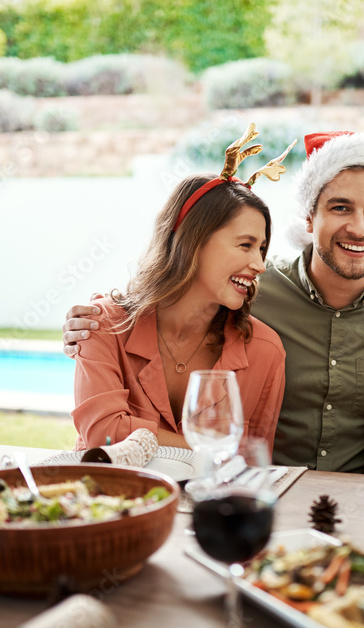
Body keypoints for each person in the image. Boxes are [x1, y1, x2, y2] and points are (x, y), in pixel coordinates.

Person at [65, 131, 364, 472]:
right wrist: (93, 321)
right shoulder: (251, 294)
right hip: (268, 492)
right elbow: (174, 290)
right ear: (309, 217)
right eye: (340, 207)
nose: (359, 228)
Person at [71, 126, 288, 451]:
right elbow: (102, 435)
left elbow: (253, 461)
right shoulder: (102, 326)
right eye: (245, 245)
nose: (259, 264)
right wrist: (212, 450)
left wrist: (134, 433)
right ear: (193, 240)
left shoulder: (266, 352)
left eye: (262, 249)